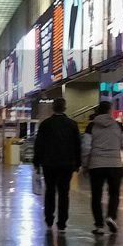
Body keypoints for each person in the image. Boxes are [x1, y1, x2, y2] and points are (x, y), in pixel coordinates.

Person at [32, 98, 82, 232]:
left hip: (49, 164)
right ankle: (62, 224)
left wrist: (36, 162)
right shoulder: (72, 124)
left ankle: (49, 220)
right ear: (65, 108)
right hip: (67, 164)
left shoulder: (46, 124)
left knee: (50, 191)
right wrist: (78, 163)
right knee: (64, 193)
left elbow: (39, 145)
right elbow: (78, 145)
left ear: (53, 108)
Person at [83, 102, 123, 235]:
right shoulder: (118, 126)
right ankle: (111, 216)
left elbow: (86, 148)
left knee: (96, 195)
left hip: (96, 165)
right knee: (114, 193)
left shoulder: (91, 126)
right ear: (110, 111)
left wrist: (85, 165)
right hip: (115, 165)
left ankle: (99, 225)